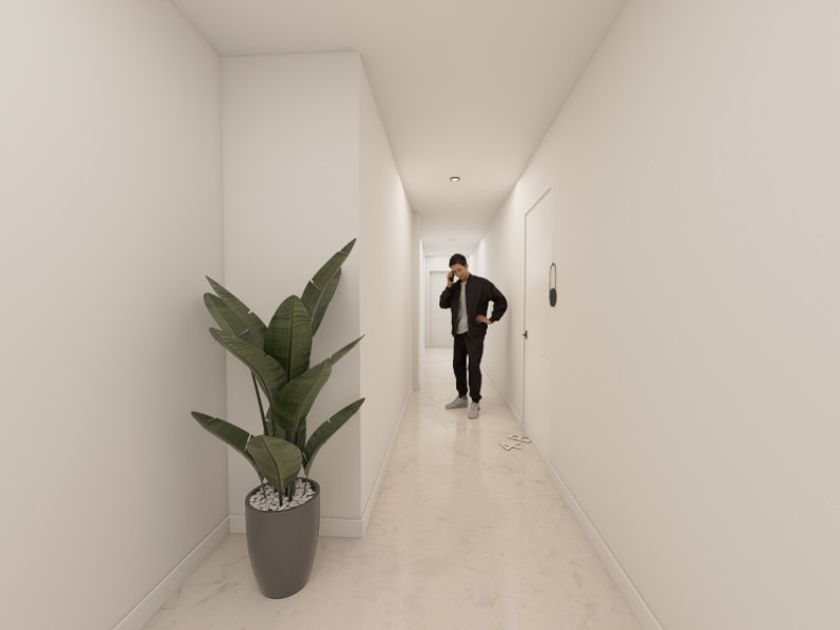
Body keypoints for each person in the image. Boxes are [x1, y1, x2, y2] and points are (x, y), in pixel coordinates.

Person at [439, 254, 508, 419]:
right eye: (454, 271)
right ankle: (462, 397)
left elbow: (501, 300)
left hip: (475, 333)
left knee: (473, 366)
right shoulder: (455, 287)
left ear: (466, 266)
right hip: (459, 333)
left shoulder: (481, 284)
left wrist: (491, 319)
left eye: (459, 270)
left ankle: (475, 401)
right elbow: (443, 304)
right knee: (458, 364)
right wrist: (449, 284)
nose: (458, 274)